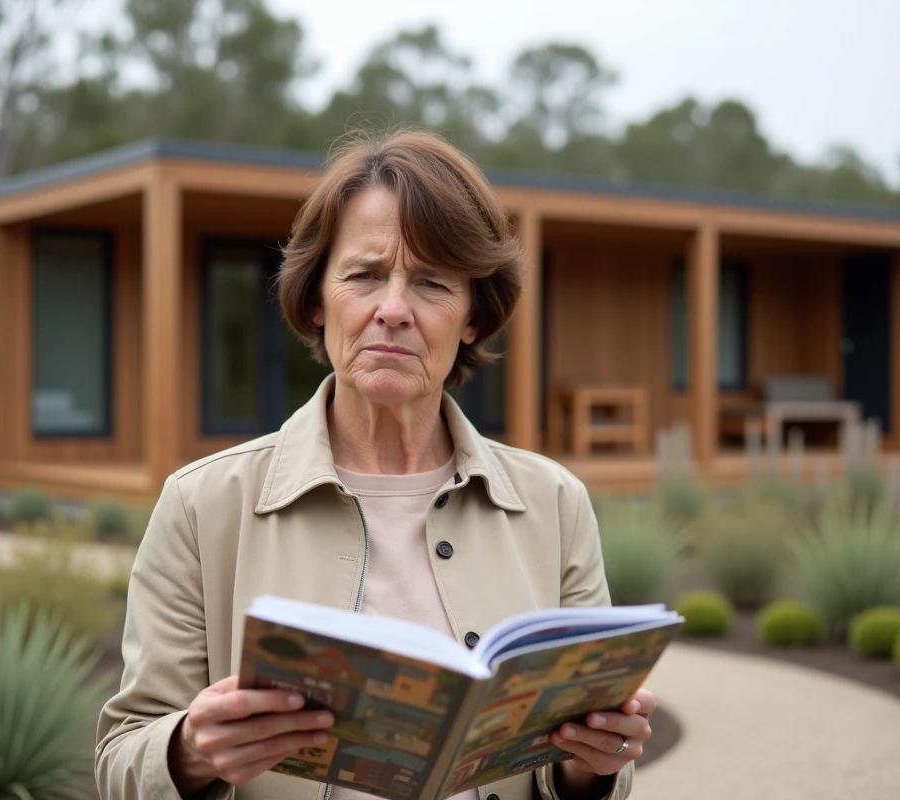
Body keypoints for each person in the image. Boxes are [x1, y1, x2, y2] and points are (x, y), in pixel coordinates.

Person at [94, 130, 657, 800]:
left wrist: (591, 764)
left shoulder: (554, 503)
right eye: (364, 275)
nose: (393, 310)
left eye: (430, 282)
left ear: (472, 316)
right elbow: (121, 762)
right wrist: (190, 748)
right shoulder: (202, 505)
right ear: (315, 300)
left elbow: (595, 773)